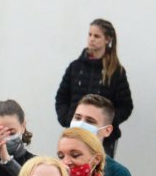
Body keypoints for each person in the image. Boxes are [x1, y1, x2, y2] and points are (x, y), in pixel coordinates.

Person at [54, 20, 132, 156]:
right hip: (75, 133)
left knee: (100, 172)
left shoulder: (115, 71)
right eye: (89, 35)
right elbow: (61, 97)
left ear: (107, 39)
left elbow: (125, 106)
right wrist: (67, 119)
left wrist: (105, 123)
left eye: (96, 36)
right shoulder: (76, 67)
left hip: (103, 140)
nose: (91, 39)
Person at [68, 96, 136, 176]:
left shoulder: (119, 175)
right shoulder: (57, 166)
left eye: (90, 121)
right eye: (77, 118)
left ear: (107, 130)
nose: (80, 124)